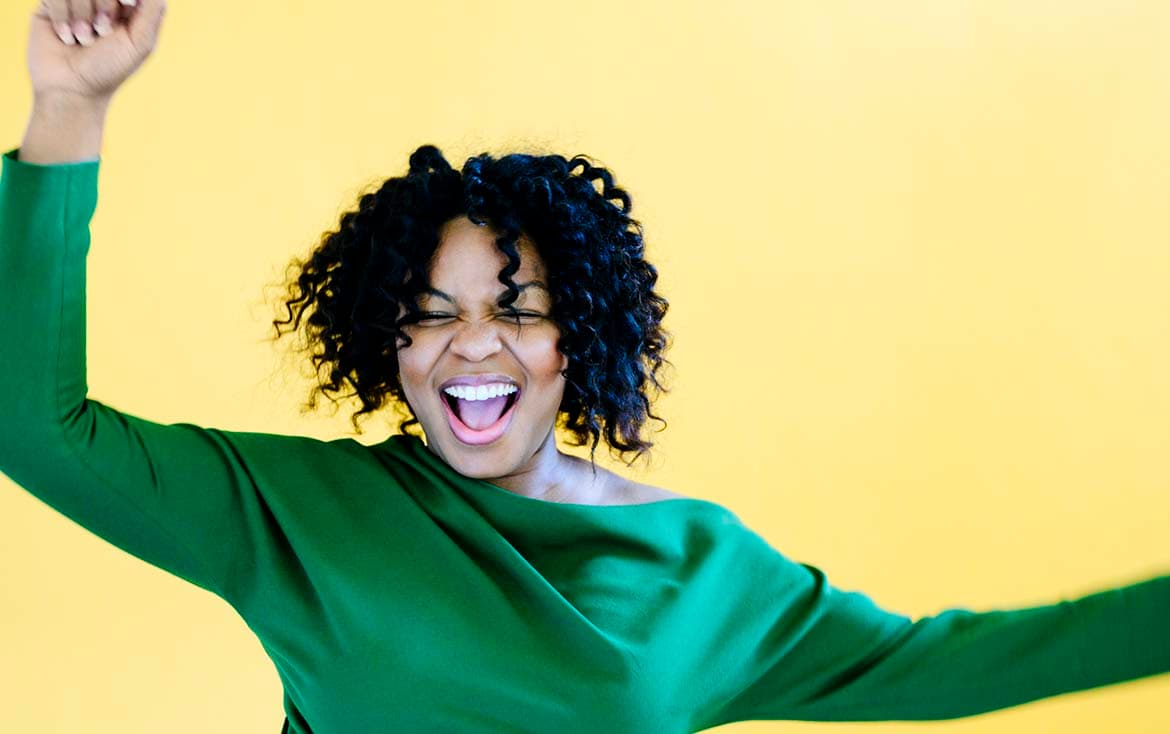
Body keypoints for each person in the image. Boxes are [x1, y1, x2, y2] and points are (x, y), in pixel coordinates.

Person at [3, 3, 1168, 733]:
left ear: (581, 341)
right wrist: (68, 111)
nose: (472, 343)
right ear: (388, 347)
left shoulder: (705, 569)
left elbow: (950, 664)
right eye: (428, 314)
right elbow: (32, 425)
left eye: (517, 311)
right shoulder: (296, 515)